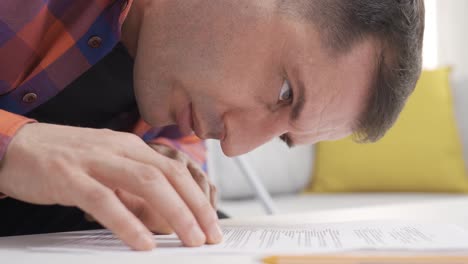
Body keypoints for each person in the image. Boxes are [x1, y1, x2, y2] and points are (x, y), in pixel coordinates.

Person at [0, 0, 424, 251]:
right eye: (285, 92)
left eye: (281, 137)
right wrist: (13, 148)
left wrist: (171, 166)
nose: (236, 148)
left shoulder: (176, 89)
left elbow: (177, 145)